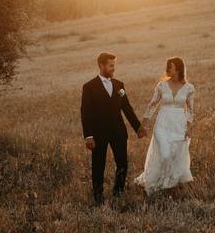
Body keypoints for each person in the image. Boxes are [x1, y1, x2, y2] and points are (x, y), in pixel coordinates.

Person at [80, 52, 147, 205]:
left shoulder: (119, 85)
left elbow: (127, 108)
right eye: (110, 65)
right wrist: (88, 135)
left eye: (114, 65)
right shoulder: (89, 87)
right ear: (101, 66)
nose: (113, 68)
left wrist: (137, 127)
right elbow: (86, 113)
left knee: (123, 163)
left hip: (118, 132)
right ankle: (98, 197)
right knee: (98, 165)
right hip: (98, 134)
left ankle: (118, 193)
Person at [134, 56, 195, 196]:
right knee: (165, 153)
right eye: (167, 67)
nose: (168, 70)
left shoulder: (189, 88)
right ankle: (156, 183)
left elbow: (191, 111)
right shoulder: (161, 86)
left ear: (179, 69)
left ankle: (170, 183)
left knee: (175, 155)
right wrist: (144, 124)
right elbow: (152, 105)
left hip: (179, 126)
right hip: (162, 125)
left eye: (171, 67)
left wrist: (189, 128)